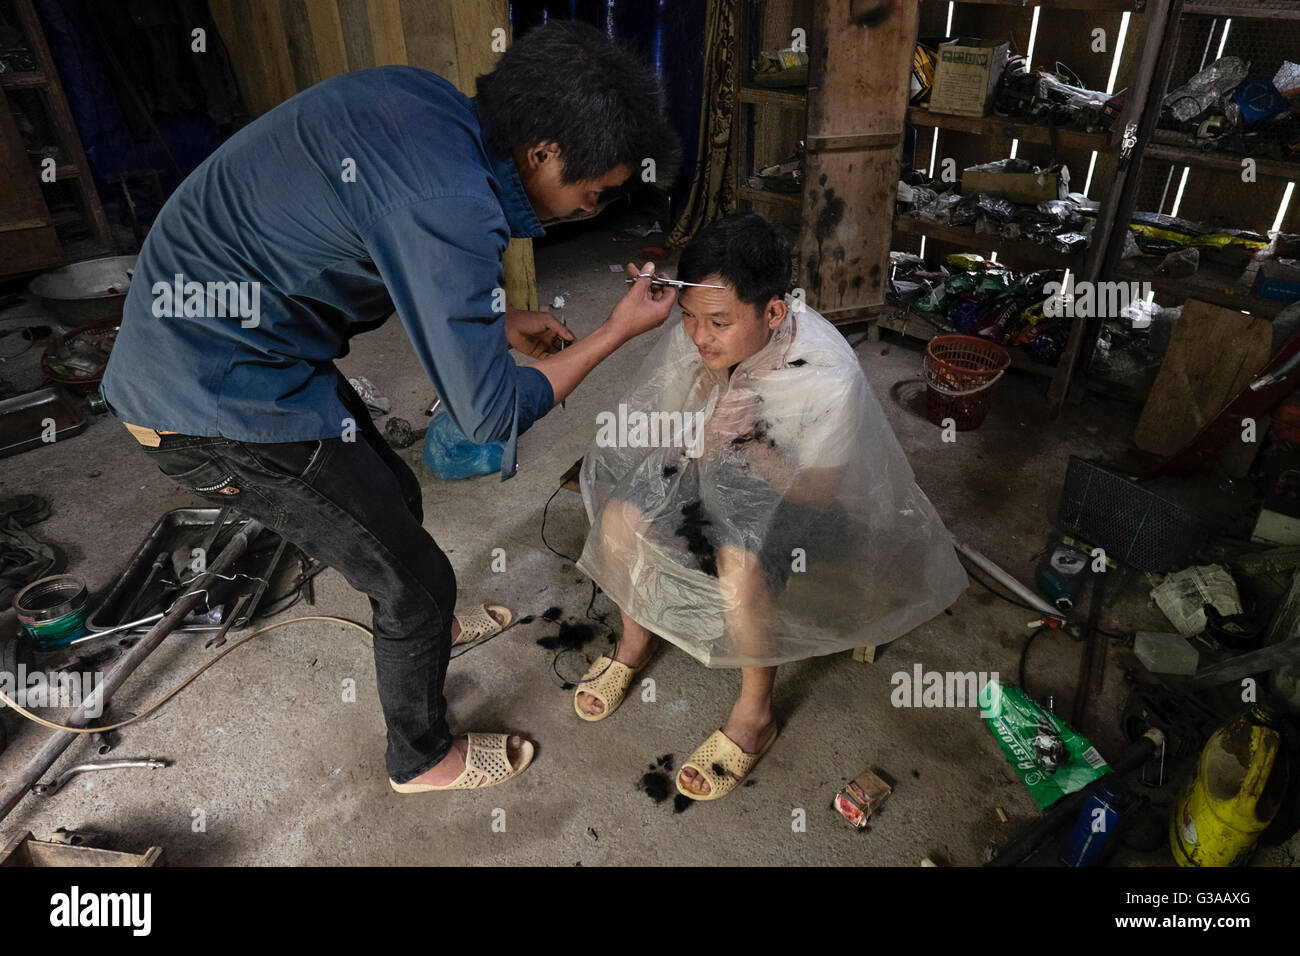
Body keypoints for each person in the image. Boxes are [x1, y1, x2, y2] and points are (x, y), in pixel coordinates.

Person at [100, 22, 681, 793]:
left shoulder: (429, 104)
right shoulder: (449, 201)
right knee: (413, 583)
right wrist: (616, 330)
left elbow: (393, 246)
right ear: (541, 151)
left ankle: (428, 634)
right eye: (594, 192)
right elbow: (490, 415)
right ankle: (419, 757)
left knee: (393, 493)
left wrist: (495, 320)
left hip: (240, 339)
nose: (586, 211)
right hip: (211, 396)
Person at [574, 213, 968, 800]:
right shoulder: (708, 328)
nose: (700, 337)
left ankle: (756, 715)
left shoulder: (825, 375)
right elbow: (664, 421)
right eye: (689, 319)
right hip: (711, 454)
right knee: (617, 519)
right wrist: (699, 434)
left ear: (774, 314)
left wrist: (752, 441)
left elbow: (823, 493)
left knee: (740, 566)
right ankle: (636, 641)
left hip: (792, 481)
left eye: (718, 323)